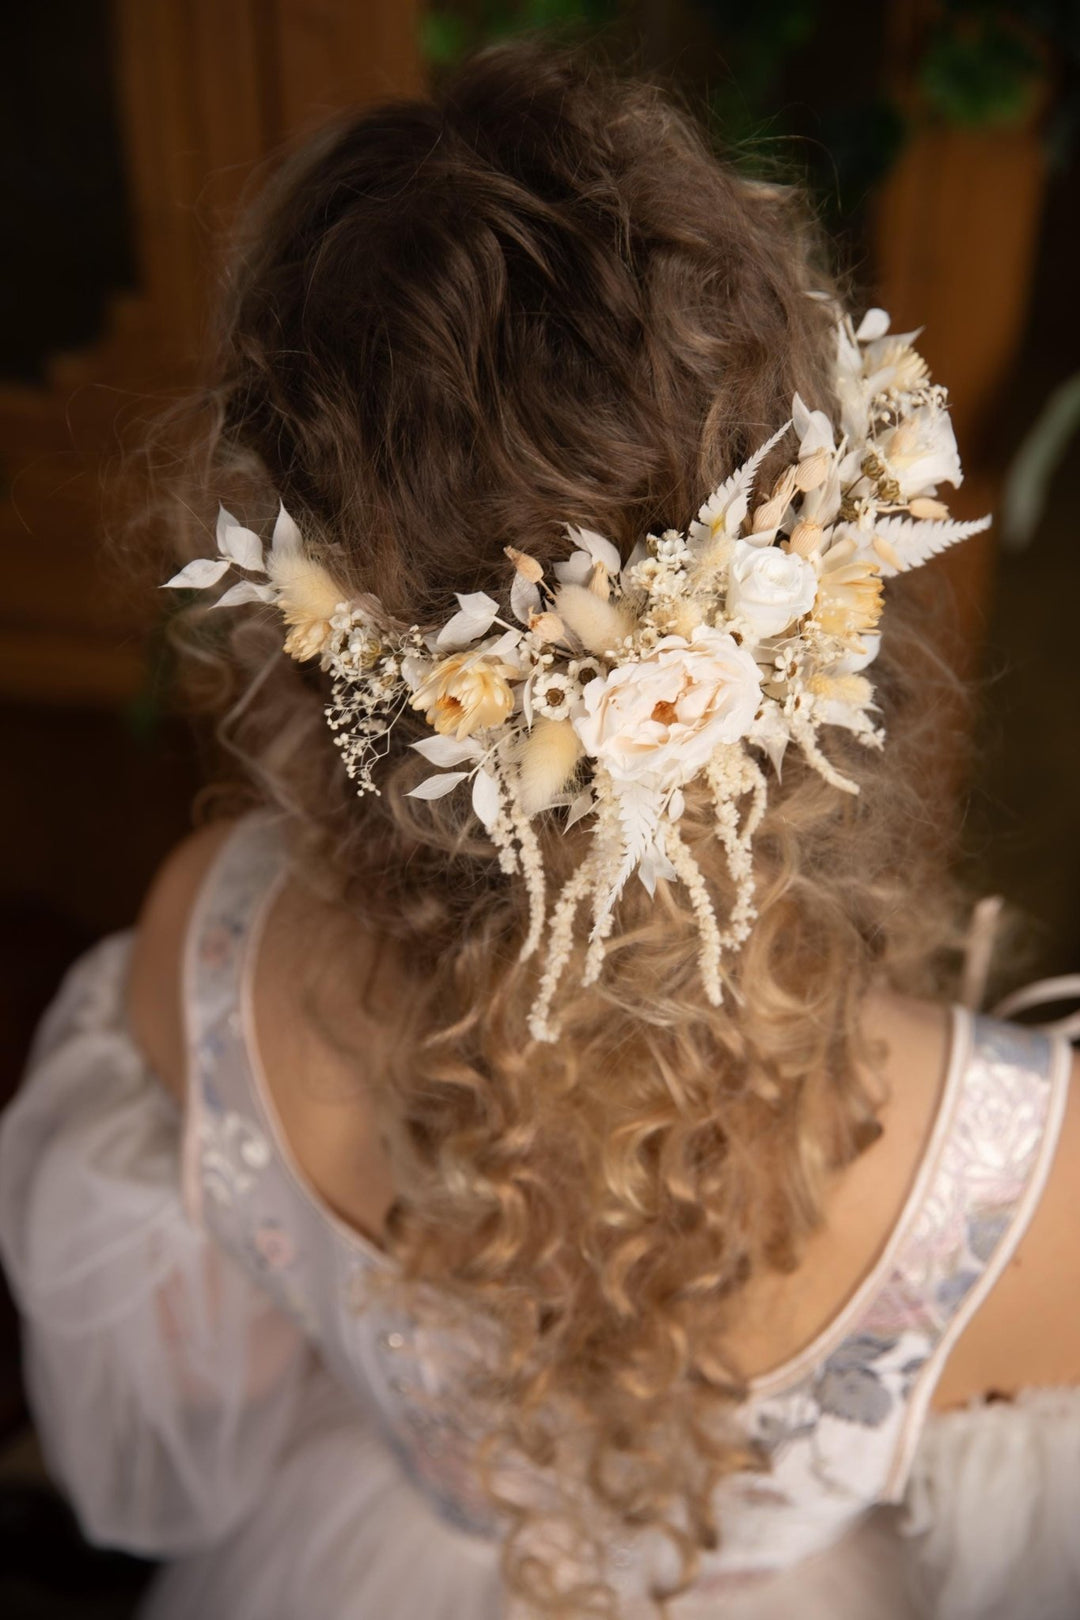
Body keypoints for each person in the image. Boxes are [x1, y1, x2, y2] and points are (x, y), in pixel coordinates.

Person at [2, 42, 1079, 1620]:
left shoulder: (210, 953)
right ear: (821, 553)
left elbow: (174, 1435)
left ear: (311, 634)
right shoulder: (1020, 1184)